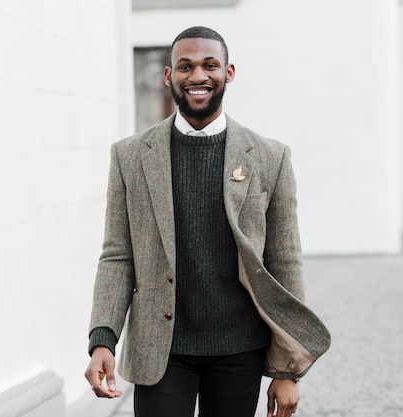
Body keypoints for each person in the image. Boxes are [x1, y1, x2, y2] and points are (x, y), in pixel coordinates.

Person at [84, 26, 330, 417]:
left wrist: (288, 370)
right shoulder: (129, 156)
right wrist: (103, 339)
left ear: (228, 73)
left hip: (239, 348)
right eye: (185, 66)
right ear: (169, 76)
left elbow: (284, 261)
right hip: (160, 350)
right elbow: (117, 256)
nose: (198, 76)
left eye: (209, 65)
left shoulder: (270, 157)